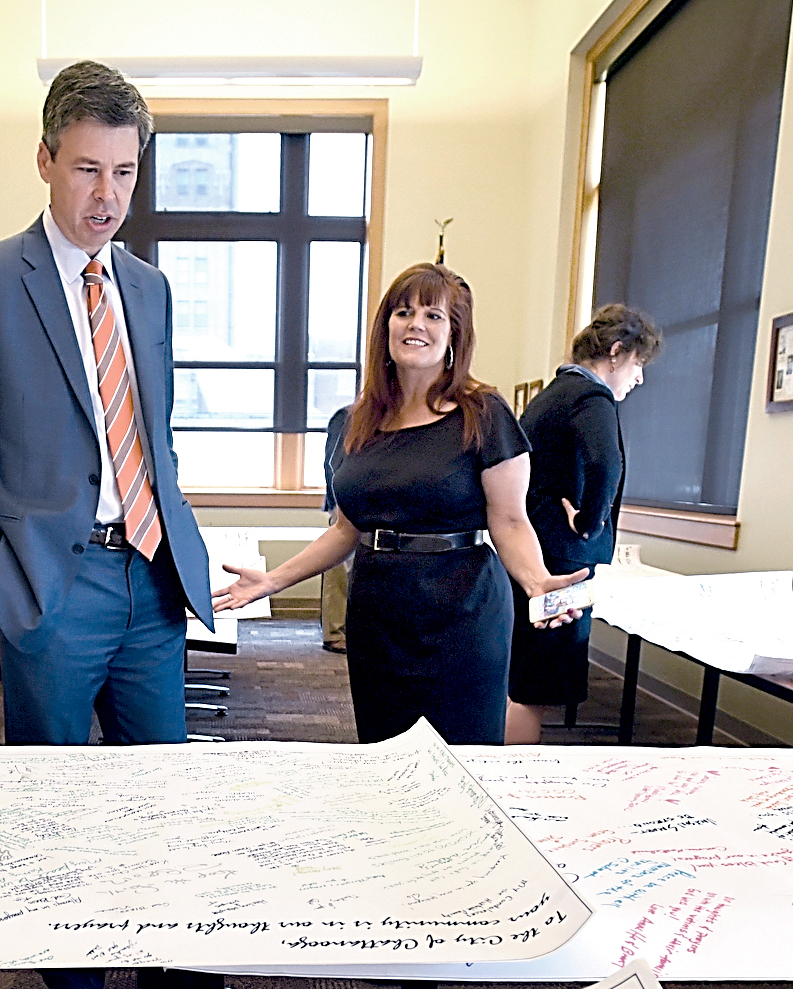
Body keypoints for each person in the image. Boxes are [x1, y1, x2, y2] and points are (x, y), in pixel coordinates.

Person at [0, 61, 226, 989]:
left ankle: (169, 948)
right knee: (55, 803)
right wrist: (2, 583)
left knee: (162, 791)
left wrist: (175, 541)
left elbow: (155, 433)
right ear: (46, 159)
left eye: (125, 173)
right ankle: (75, 986)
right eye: (87, 169)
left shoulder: (150, 288)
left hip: (148, 576)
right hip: (53, 586)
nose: (106, 197)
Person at [214, 263, 586, 745]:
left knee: (463, 751)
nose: (415, 325)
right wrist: (274, 580)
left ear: (455, 334)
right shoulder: (356, 422)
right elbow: (345, 530)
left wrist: (537, 582)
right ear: (385, 326)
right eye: (404, 312)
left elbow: (511, 521)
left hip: (464, 610)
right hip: (379, 609)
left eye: (434, 315)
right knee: (384, 750)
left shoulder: (484, 413)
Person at [505, 305, 661, 744]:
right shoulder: (589, 397)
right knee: (538, 681)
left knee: (526, 673)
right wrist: (591, 523)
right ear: (616, 352)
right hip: (564, 565)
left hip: (540, 553)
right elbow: (605, 463)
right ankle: (516, 778)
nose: (639, 378)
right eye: (638, 364)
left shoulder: (554, 394)